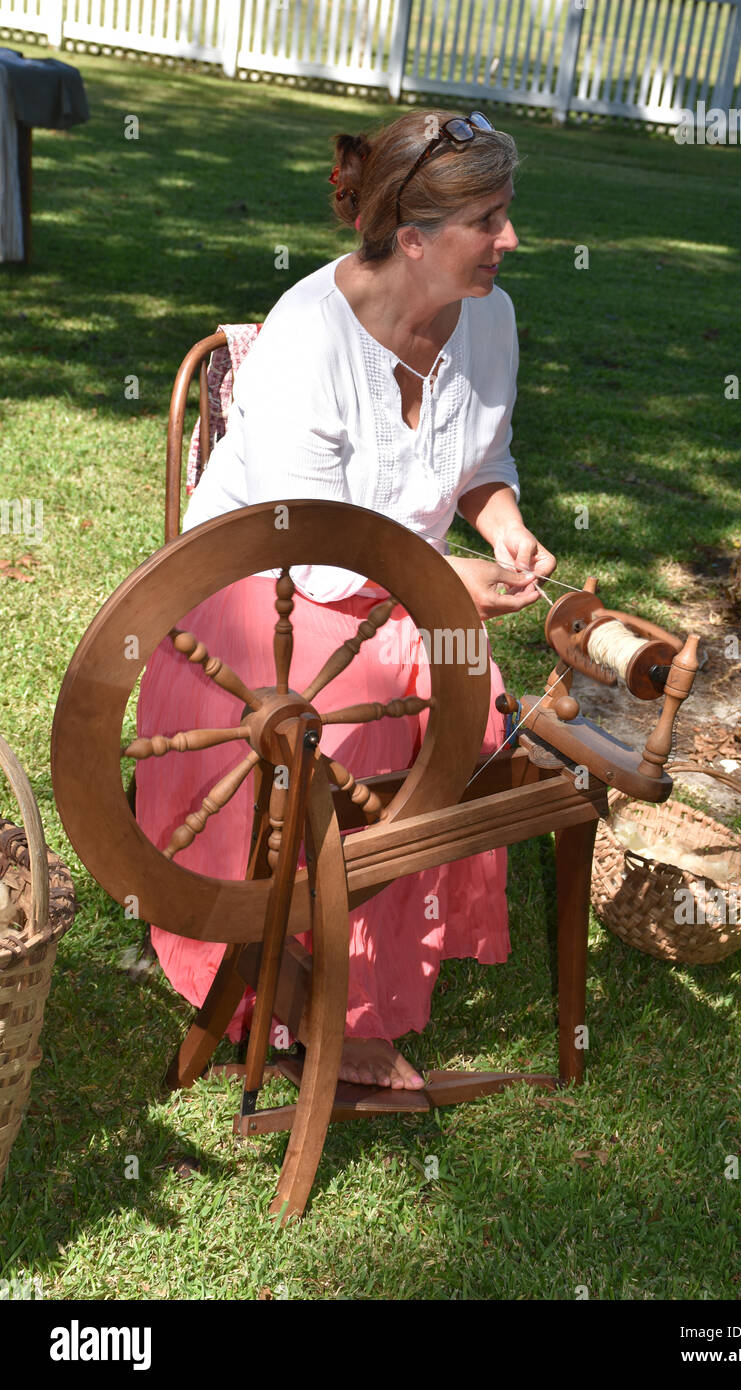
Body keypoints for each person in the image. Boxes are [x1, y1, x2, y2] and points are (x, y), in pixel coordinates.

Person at [135, 109, 556, 1090]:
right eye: (488, 220)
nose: (510, 240)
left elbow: (482, 461)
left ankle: (368, 978)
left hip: (397, 585)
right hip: (258, 598)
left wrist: (499, 528)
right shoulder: (307, 334)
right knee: (361, 720)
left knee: (467, 694)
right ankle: (307, 993)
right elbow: (315, 561)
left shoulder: (485, 318)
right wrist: (447, 579)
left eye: (507, 213)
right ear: (412, 237)